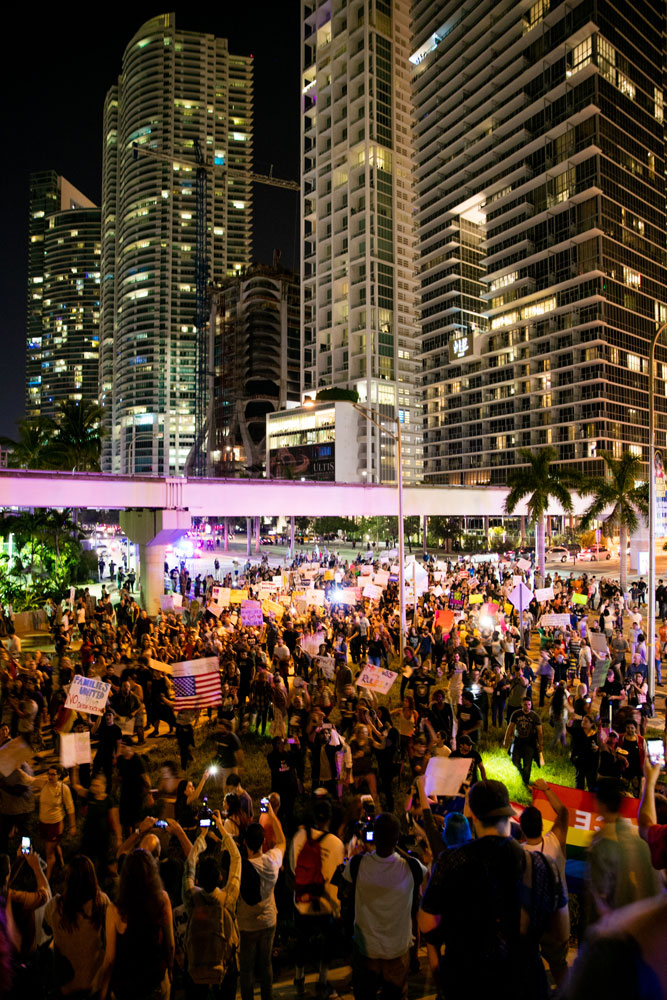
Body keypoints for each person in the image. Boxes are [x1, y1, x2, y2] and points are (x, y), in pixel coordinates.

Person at [418, 780, 569, 1000]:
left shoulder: (450, 862)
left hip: (466, 982)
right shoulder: (541, 865)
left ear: (476, 817)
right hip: (523, 984)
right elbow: (560, 933)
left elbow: (427, 924)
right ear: (509, 814)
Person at [343, 811, 426, 1000]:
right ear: (397, 838)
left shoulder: (357, 864)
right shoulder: (412, 867)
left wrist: (359, 853)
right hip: (397, 950)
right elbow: (422, 871)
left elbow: (344, 890)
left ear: (374, 835)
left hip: (366, 950)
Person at [290, 797, 345, 1000]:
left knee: (301, 940)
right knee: (327, 943)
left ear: (313, 818)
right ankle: (322, 980)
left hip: (302, 901)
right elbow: (337, 875)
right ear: (329, 819)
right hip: (325, 903)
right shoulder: (337, 844)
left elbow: (292, 866)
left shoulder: (298, 837)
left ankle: (299, 978)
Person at [182, 808, 241, 999]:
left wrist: (202, 835)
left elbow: (190, 863)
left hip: (196, 966)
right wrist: (222, 831)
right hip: (224, 967)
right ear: (220, 877)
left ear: (198, 880)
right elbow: (236, 859)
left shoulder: (191, 897)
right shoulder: (228, 898)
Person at [520, 778, 570, 987]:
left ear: (521, 828)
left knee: (527, 968)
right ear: (542, 825)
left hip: (529, 923)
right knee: (559, 965)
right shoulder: (555, 842)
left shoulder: (517, 854)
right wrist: (546, 789)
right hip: (558, 920)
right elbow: (564, 813)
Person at [43, 854, 115, 999]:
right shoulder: (101, 903)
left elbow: (46, 928)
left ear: (68, 880)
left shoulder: (55, 906)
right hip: (93, 986)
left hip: (65, 987)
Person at [108, 848, 175, 1000]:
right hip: (156, 980)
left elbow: (110, 957)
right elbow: (170, 943)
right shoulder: (162, 899)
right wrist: (170, 968)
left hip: (127, 985)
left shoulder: (115, 909)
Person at [587, 779, 659, 920]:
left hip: (619, 931)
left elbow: (598, 902)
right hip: (646, 927)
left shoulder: (601, 846)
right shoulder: (641, 838)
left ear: (600, 804)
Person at [237, 802, 286, 1000]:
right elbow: (282, 841)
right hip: (269, 921)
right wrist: (272, 815)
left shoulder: (241, 868)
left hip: (247, 924)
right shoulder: (272, 860)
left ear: (245, 843)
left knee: (247, 968)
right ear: (263, 841)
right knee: (266, 964)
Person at [37, 765, 76, 879]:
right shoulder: (43, 784)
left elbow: (70, 808)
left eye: (53, 774)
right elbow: (28, 780)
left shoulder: (63, 789)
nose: (50, 776)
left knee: (49, 853)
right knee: (54, 844)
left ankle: (47, 879)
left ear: (59, 775)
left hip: (55, 823)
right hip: (43, 822)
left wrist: (73, 825)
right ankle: (62, 864)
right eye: (48, 773)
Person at [504, 695, 543, 786]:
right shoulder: (516, 714)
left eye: (529, 705)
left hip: (529, 743)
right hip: (517, 742)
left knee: (527, 765)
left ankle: (525, 782)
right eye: (525, 704)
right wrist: (506, 740)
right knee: (515, 761)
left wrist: (540, 744)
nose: (527, 707)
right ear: (521, 704)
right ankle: (522, 775)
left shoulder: (535, 716)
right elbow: (510, 728)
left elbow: (540, 732)